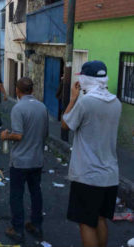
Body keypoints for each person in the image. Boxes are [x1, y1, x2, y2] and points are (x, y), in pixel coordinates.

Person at [62, 61, 121, 247]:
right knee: (101, 219)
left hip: (88, 175)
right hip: (110, 175)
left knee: (86, 223)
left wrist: (73, 99)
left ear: (86, 79)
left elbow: (66, 124)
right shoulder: (116, 102)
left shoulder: (85, 102)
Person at [0, 77, 48, 243]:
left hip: (20, 161)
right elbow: (45, 134)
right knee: (36, 193)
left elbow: (18, 135)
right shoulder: (42, 107)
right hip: (37, 159)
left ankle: (18, 229)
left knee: (17, 196)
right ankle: (36, 225)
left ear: (18, 91)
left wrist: (6, 135)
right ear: (32, 90)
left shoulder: (18, 108)